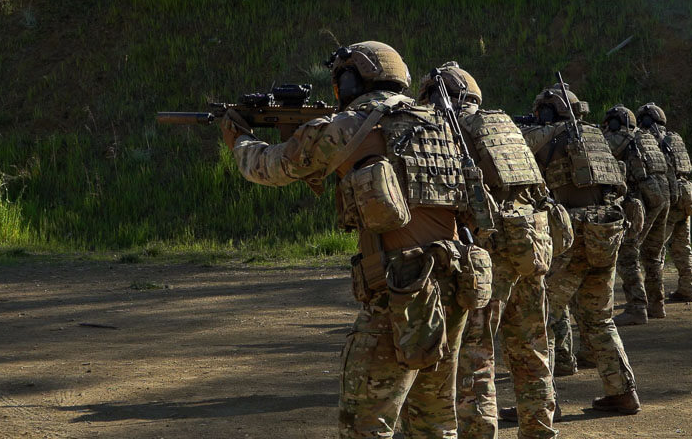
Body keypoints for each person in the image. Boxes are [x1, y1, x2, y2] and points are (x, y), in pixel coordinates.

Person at [222, 41, 481, 439]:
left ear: (350, 79)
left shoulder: (352, 124)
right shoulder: (441, 125)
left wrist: (239, 139)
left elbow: (270, 167)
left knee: (364, 424)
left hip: (399, 287)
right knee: (435, 422)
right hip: (454, 280)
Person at [418, 62, 558, 439]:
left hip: (491, 249)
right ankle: (539, 429)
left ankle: (479, 432)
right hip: (531, 243)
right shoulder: (505, 126)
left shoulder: (446, 129)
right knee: (532, 349)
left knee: (476, 355)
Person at [516, 84, 642, 415]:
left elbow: (520, 148)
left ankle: (542, 402)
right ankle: (623, 392)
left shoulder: (547, 135)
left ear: (546, 111)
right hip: (606, 230)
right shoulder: (597, 137)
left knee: (541, 316)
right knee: (600, 318)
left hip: (572, 235)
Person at [602, 105, 672, 326]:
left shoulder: (620, 138)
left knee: (627, 253)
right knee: (652, 254)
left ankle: (636, 307)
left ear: (614, 123)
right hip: (664, 196)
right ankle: (656, 304)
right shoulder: (646, 137)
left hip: (643, 199)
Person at [636, 103, 692, 303]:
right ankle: (687, 288)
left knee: (656, 248)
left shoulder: (650, 140)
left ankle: (655, 294)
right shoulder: (675, 137)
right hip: (686, 197)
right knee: (683, 247)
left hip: (670, 199)